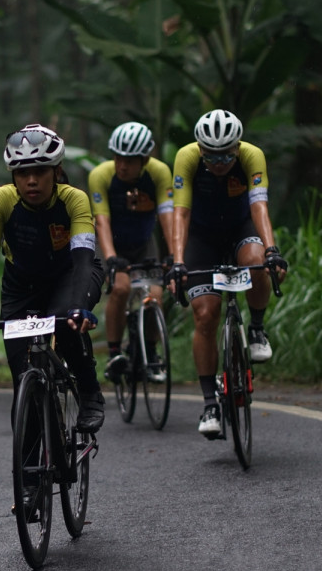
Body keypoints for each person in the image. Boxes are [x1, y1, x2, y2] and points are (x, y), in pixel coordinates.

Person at [0, 124, 107, 434]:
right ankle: (27, 461)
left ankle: (90, 394)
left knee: (66, 322)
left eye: (40, 171)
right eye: (23, 173)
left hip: (71, 275)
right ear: (13, 176)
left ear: (57, 171)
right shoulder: (0, 200)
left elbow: (82, 259)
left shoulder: (74, 199)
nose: (32, 180)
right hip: (21, 286)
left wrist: (78, 307)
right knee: (22, 380)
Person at [167, 109, 288, 439]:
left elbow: (259, 206)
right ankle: (210, 403)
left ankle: (257, 329)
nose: (219, 162)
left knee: (257, 260)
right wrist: (177, 261)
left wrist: (272, 250)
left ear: (238, 147)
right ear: (199, 148)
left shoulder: (252, 156)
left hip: (240, 230)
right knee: (206, 314)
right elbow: (181, 213)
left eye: (226, 154)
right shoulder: (186, 157)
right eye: (210, 155)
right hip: (201, 239)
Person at [88, 121, 175, 384]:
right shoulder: (101, 175)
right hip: (109, 243)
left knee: (155, 297)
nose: (122, 165)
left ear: (144, 160)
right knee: (121, 288)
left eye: (129, 160)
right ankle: (115, 353)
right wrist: (111, 259)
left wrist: (174, 255)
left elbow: (168, 216)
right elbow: (101, 221)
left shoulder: (159, 173)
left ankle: (151, 351)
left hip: (143, 243)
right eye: (118, 158)